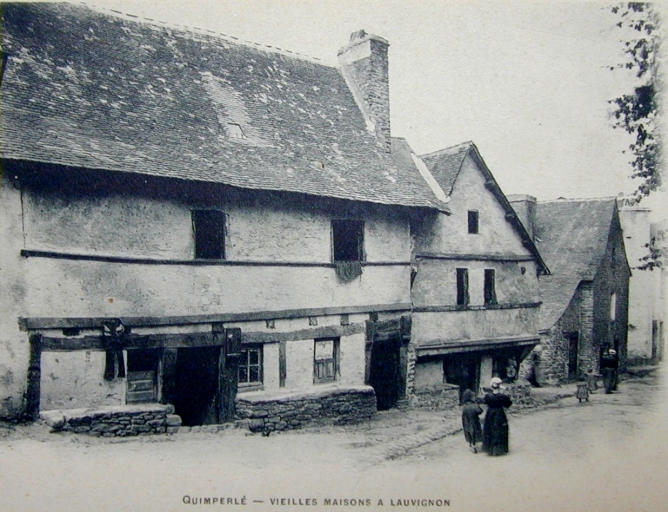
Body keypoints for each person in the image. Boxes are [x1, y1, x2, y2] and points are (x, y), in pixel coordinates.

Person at [482, 377, 512, 456]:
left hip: (490, 413)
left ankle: (489, 449)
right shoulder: (503, 396)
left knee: (490, 429)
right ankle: (499, 449)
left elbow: (485, 402)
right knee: (500, 429)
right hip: (499, 413)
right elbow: (508, 404)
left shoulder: (488, 396)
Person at [460, 389, 483, 453]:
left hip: (466, 422)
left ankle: (470, 444)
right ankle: (474, 445)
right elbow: (480, 411)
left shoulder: (464, 406)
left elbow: (463, 414)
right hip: (474, 422)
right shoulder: (474, 405)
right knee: (474, 433)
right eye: (474, 397)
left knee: (469, 433)